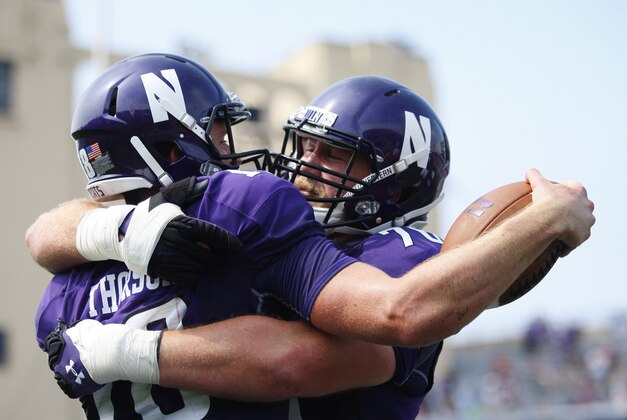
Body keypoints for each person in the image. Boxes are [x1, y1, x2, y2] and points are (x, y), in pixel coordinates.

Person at [26, 54, 594, 418]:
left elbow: (365, 332)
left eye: (335, 154)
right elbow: (50, 229)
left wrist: (116, 344)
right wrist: (115, 228)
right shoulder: (238, 219)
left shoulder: (399, 255)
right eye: (304, 147)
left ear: (398, 182)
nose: (303, 167)